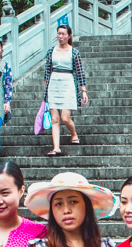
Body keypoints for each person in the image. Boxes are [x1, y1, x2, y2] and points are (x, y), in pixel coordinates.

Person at [44, 24, 88, 156]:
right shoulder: (51, 51)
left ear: (69, 36)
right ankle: (56, 147)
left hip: (68, 83)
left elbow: (80, 72)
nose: (60, 36)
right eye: (58, 33)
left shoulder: (74, 52)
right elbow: (47, 72)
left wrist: (83, 90)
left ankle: (74, 134)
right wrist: (45, 92)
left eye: (63, 34)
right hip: (53, 84)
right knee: (55, 119)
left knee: (65, 117)